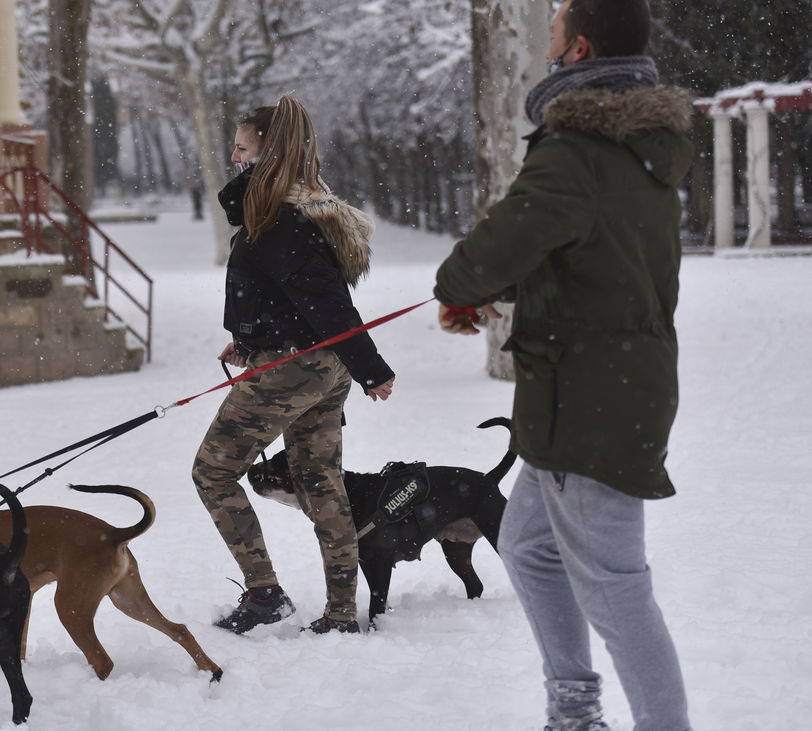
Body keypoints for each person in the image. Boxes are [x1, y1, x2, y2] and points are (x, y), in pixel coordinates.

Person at [433, 0, 693, 728]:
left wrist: (461, 286)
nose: (547, 35)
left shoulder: (577, 149)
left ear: (578, 49)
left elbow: (500, 245)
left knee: (616, 587)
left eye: (555, 26)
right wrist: (500, 290)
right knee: (527, 547)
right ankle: (575, 710)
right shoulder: (637, 146)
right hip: (600, 389)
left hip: (589, 400)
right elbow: (592, 260)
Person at [192, 95, 396, 636]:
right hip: (317, 366)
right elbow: (285, 294)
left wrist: (372, 367)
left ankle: (264, 595)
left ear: (271, 151)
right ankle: (340, 613)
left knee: (213, 472)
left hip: (293, 369)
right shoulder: (287, 207)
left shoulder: (280, 217)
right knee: (318, 481)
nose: (234, 155)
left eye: (243, 147)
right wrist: (247, 338)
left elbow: (326, 303)